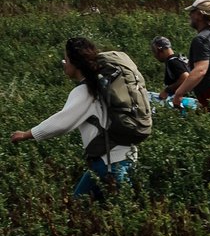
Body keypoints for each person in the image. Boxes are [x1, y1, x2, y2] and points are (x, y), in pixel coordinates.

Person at [9, 36, 137, 200]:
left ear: (75, 63)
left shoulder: (84, 91)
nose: (64, 62)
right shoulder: (104, 84)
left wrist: (27, 134)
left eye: (67, 59)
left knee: (78, 206)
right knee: (117, 209)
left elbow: (62, 123)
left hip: (108, 163)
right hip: (127, 157)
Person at [151, 35, 191, 100]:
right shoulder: (180, 59)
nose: (155, 56)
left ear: (159, 50)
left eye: (154, 52)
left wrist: (167, 90)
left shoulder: (172, 62)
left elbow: (185, 77)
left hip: (185, 100)